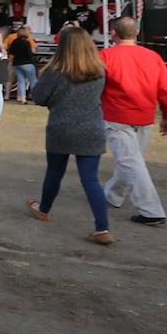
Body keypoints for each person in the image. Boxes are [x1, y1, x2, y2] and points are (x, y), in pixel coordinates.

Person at [26, 26, 112, 245]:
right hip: (92, 128)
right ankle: (103, 228)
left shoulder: (55, 71)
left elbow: (39, 97)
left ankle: (44, 209)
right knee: (91, 179)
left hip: (61, 127)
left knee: (55, 172)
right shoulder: (99, 70)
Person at [100, 17, 167, 226]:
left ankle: (151, 210)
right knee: (131, 161)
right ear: (137, 33)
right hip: (144, 116)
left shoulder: (106, 56)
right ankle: (113, 195)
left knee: (131, 162)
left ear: (113, 33)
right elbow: (166, 91)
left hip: (117, 117)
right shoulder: (153, 57)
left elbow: (95, 87)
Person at [8, 25, 38, 103]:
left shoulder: (15, 41)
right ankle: (35, 98)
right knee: (33, 80)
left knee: (21, 81)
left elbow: (11, 52)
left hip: (16, 63)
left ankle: (23, 98)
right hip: (27, 63)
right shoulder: (27, 42)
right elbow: (29, 54)